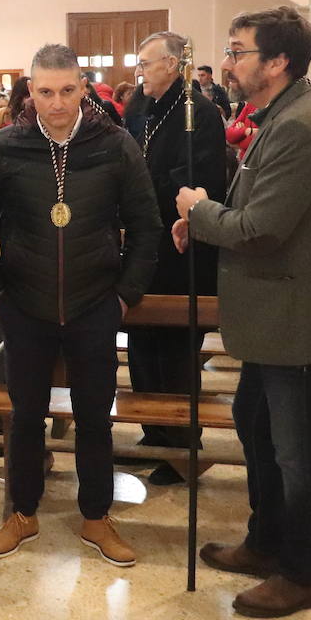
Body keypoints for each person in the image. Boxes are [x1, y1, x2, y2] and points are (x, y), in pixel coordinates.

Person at [174, 6, 311, 618]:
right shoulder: (282, 115)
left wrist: (198, 210)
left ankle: (300, 573)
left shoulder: (302, 125)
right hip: (272, 313)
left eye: (238, 51)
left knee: (296, 450)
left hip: (296, 315)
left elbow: (262, 228)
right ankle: (265, 542)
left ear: (278, 61)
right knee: (255, 426)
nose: (228, 63)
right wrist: (203, 222)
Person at [0, 44, 160, 568]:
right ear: (30, 91)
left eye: (67, 90)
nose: (56, 102)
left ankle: (97, 516)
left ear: (84, 87)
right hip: (25, 304)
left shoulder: (114, 145)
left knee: (96, 418)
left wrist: (124, 295)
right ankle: (22, 512)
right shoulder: (5, 148)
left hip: (94, 303)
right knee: (25, 416)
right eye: (45, 91)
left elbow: (147, 226)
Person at [118, 33, 227, 486]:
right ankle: (153, 431)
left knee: (178, 351)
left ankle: (183, 444)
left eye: (145, 63)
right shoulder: (138, 109)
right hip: (143, 242)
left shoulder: (198, 113)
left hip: (181, 246)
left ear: (172, 64)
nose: (139, 72)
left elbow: (198, 182)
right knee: (142, 341)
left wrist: (148, 195)